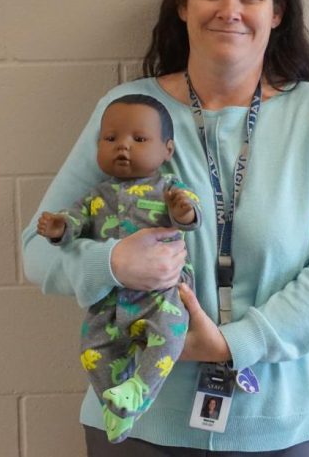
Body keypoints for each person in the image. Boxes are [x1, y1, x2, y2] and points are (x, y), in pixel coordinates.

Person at [23, 0, 309, 456]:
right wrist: (113, 263)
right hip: (136, 426)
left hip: (283, 430)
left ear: (276, 12)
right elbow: (38, 251)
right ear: (183, 3)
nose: (229, 9)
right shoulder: (126, 111)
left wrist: (235, 343)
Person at [35, 94, 202, 443]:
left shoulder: (168, 189)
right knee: (92, 349)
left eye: (138, 140)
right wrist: (58, 228)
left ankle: (138, 389)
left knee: (169, 337)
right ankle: (115, 404)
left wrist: (182, 209)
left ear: (167, 150)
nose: (123, 147)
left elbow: (189, 218)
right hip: (110, 300)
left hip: (162, 297)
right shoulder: (97, 195)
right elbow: (75, 221)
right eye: (111, 139)